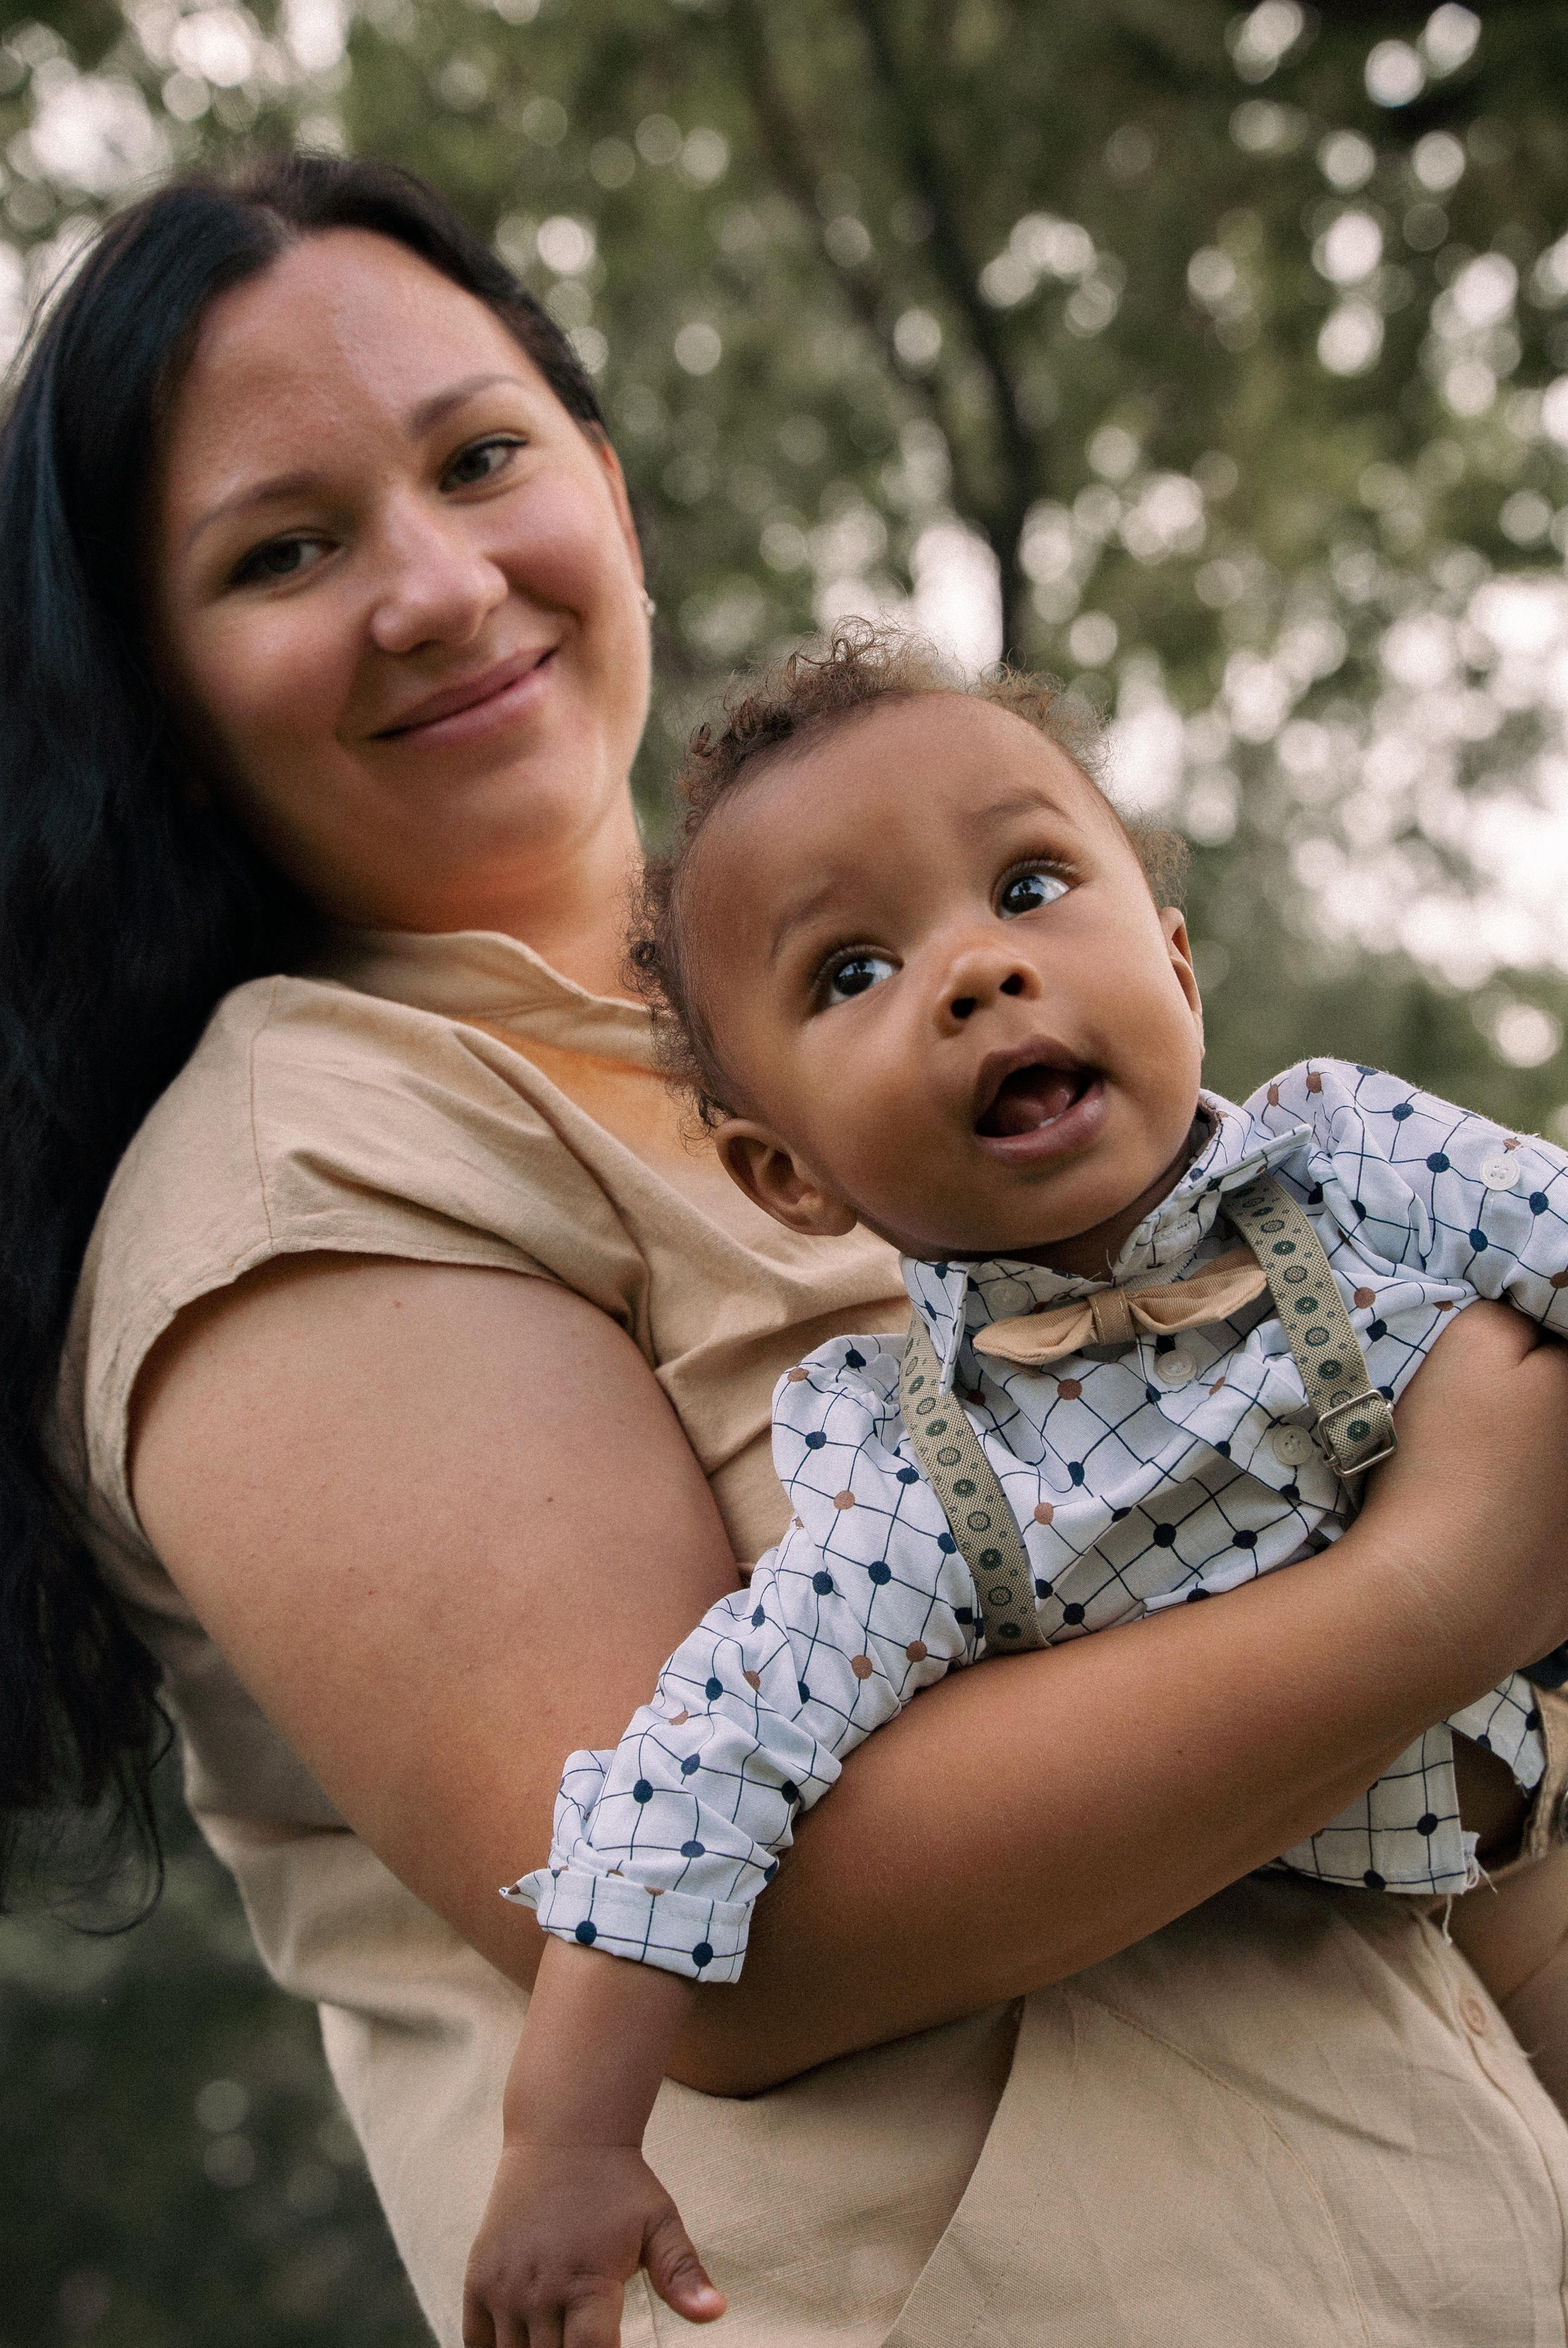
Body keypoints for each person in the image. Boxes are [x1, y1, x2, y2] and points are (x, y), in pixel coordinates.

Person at [3, 151, 1567, 2348]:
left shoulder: (900, 1064)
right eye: (285, 551)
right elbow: (733, 1935)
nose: (440, 587)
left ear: (611, 501)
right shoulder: (306, 1152)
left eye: (481, 459)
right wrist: (1447, 1581)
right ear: (148, 691)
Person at [465, 629, 1568, 2344]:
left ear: (1181, 965)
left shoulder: (1358, 1162)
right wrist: (566, 2132)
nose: (976, 971)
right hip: (1346, 1959)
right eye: (850, 972)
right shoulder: (915, 1467)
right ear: (786, 1170)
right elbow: (703, 1765)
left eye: (1033, 882)